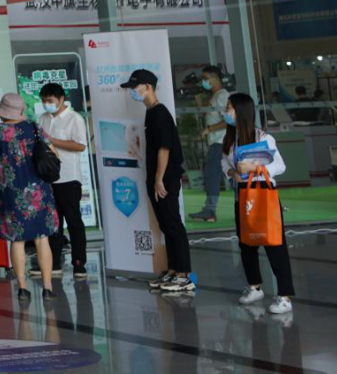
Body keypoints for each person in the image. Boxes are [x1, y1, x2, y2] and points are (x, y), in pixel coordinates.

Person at [222, 92, 294, 313]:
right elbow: (224, 164)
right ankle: (254, 286)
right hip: (242, 196)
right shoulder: (231, 138)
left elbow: (280, 166)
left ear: (240, 111)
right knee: (246, 244)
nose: (226, 112)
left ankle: (284, 296)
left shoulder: (263, 137)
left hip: (263, 195)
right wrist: (232, 173)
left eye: (229, 108)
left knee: (274, 243)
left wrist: (255, 168)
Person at [123, 69, 193, 293]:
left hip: (166, 178)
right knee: (165, 225)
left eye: (135, 88)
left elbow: (165, 148)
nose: (133, 92)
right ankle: (173, 269)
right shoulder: (150, 112)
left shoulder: (160, 113)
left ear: (148, 87)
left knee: (173, 224)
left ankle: (184, 275)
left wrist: (159, 179)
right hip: (157, 177)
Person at [0, 93, 58, 299]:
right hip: (38, 190)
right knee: (42, 239)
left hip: (11, 191)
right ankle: (47, 288)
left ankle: (22, 288)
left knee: (16, 240)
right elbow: (53, 152)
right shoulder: (34, 128)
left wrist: (6, 164)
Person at [37, 84, 89, 276]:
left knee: (73, 221)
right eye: (44, 100)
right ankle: (54, 262)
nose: (47, 104)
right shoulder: (43, 118)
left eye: (50, 100)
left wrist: (52, 140)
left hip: (69, 178)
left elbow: (80, 145)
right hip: (48, 179)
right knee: (53, 223)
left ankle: (79, 262)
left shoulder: (74, 119)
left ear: (61, 99)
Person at [193, 65, 228, 223]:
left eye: (206, 78)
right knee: (217, 175)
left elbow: (228, 120)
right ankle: (211, 210)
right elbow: (211, 116)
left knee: (212, 175)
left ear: (216, 78)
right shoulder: (214, 97)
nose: (204, 82)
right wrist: (200, 104)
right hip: (216, 142)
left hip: (221, 142)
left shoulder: (222, 96)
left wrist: (209, 129)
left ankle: (210, 210)